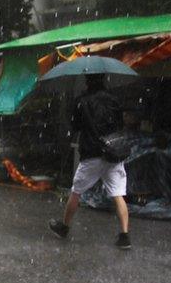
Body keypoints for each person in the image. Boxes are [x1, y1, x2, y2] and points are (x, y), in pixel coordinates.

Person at [49, 73, 131, 249]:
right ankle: (124, 235)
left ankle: (64, 227)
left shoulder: (82, 101)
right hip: (113, 152)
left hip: (92, 153)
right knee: (118, 195)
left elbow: (76, 125)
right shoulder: (113, 100)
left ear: (87, 81)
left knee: (76, 191)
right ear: (103, 79)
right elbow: (119, 124)